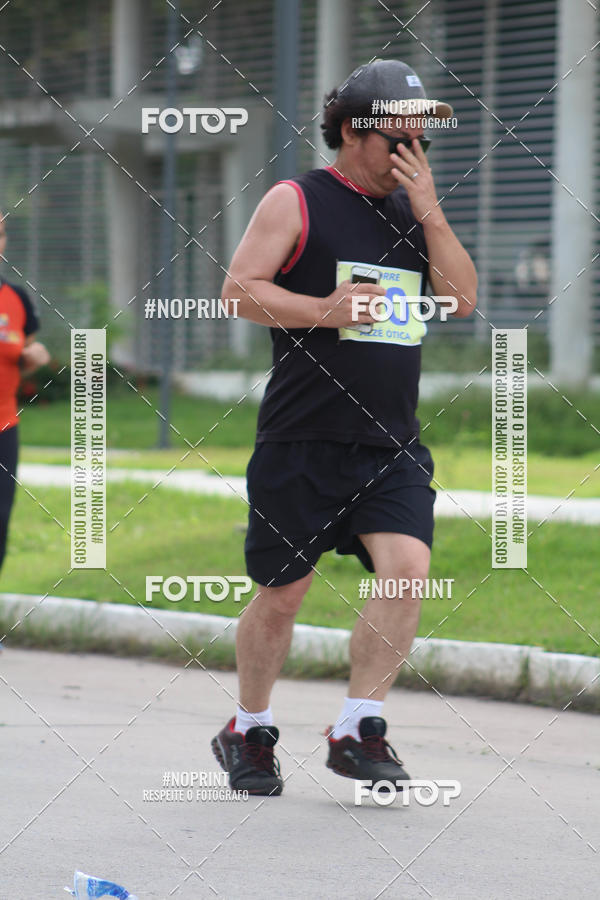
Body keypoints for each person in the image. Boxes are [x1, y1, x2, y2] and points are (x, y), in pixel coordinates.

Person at [212, 60, 478, 796]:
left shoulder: (412, 210)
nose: (413, 156)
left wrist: (431, 212)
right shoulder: (296, 199)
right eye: (401, 141)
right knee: (283, 593)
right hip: (302, 440)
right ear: (356, 132)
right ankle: (249, 729)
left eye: (421, 142)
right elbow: (239, 292)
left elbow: (460, 300)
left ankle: (358, 728)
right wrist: (323, 310)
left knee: (409, 571)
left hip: (390, 444)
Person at [0, 212, 50, 572]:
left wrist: (35, 356)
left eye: (0, 234)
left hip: (4, 425)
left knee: (0, 519)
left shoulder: (15, 297)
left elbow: (27, 352)